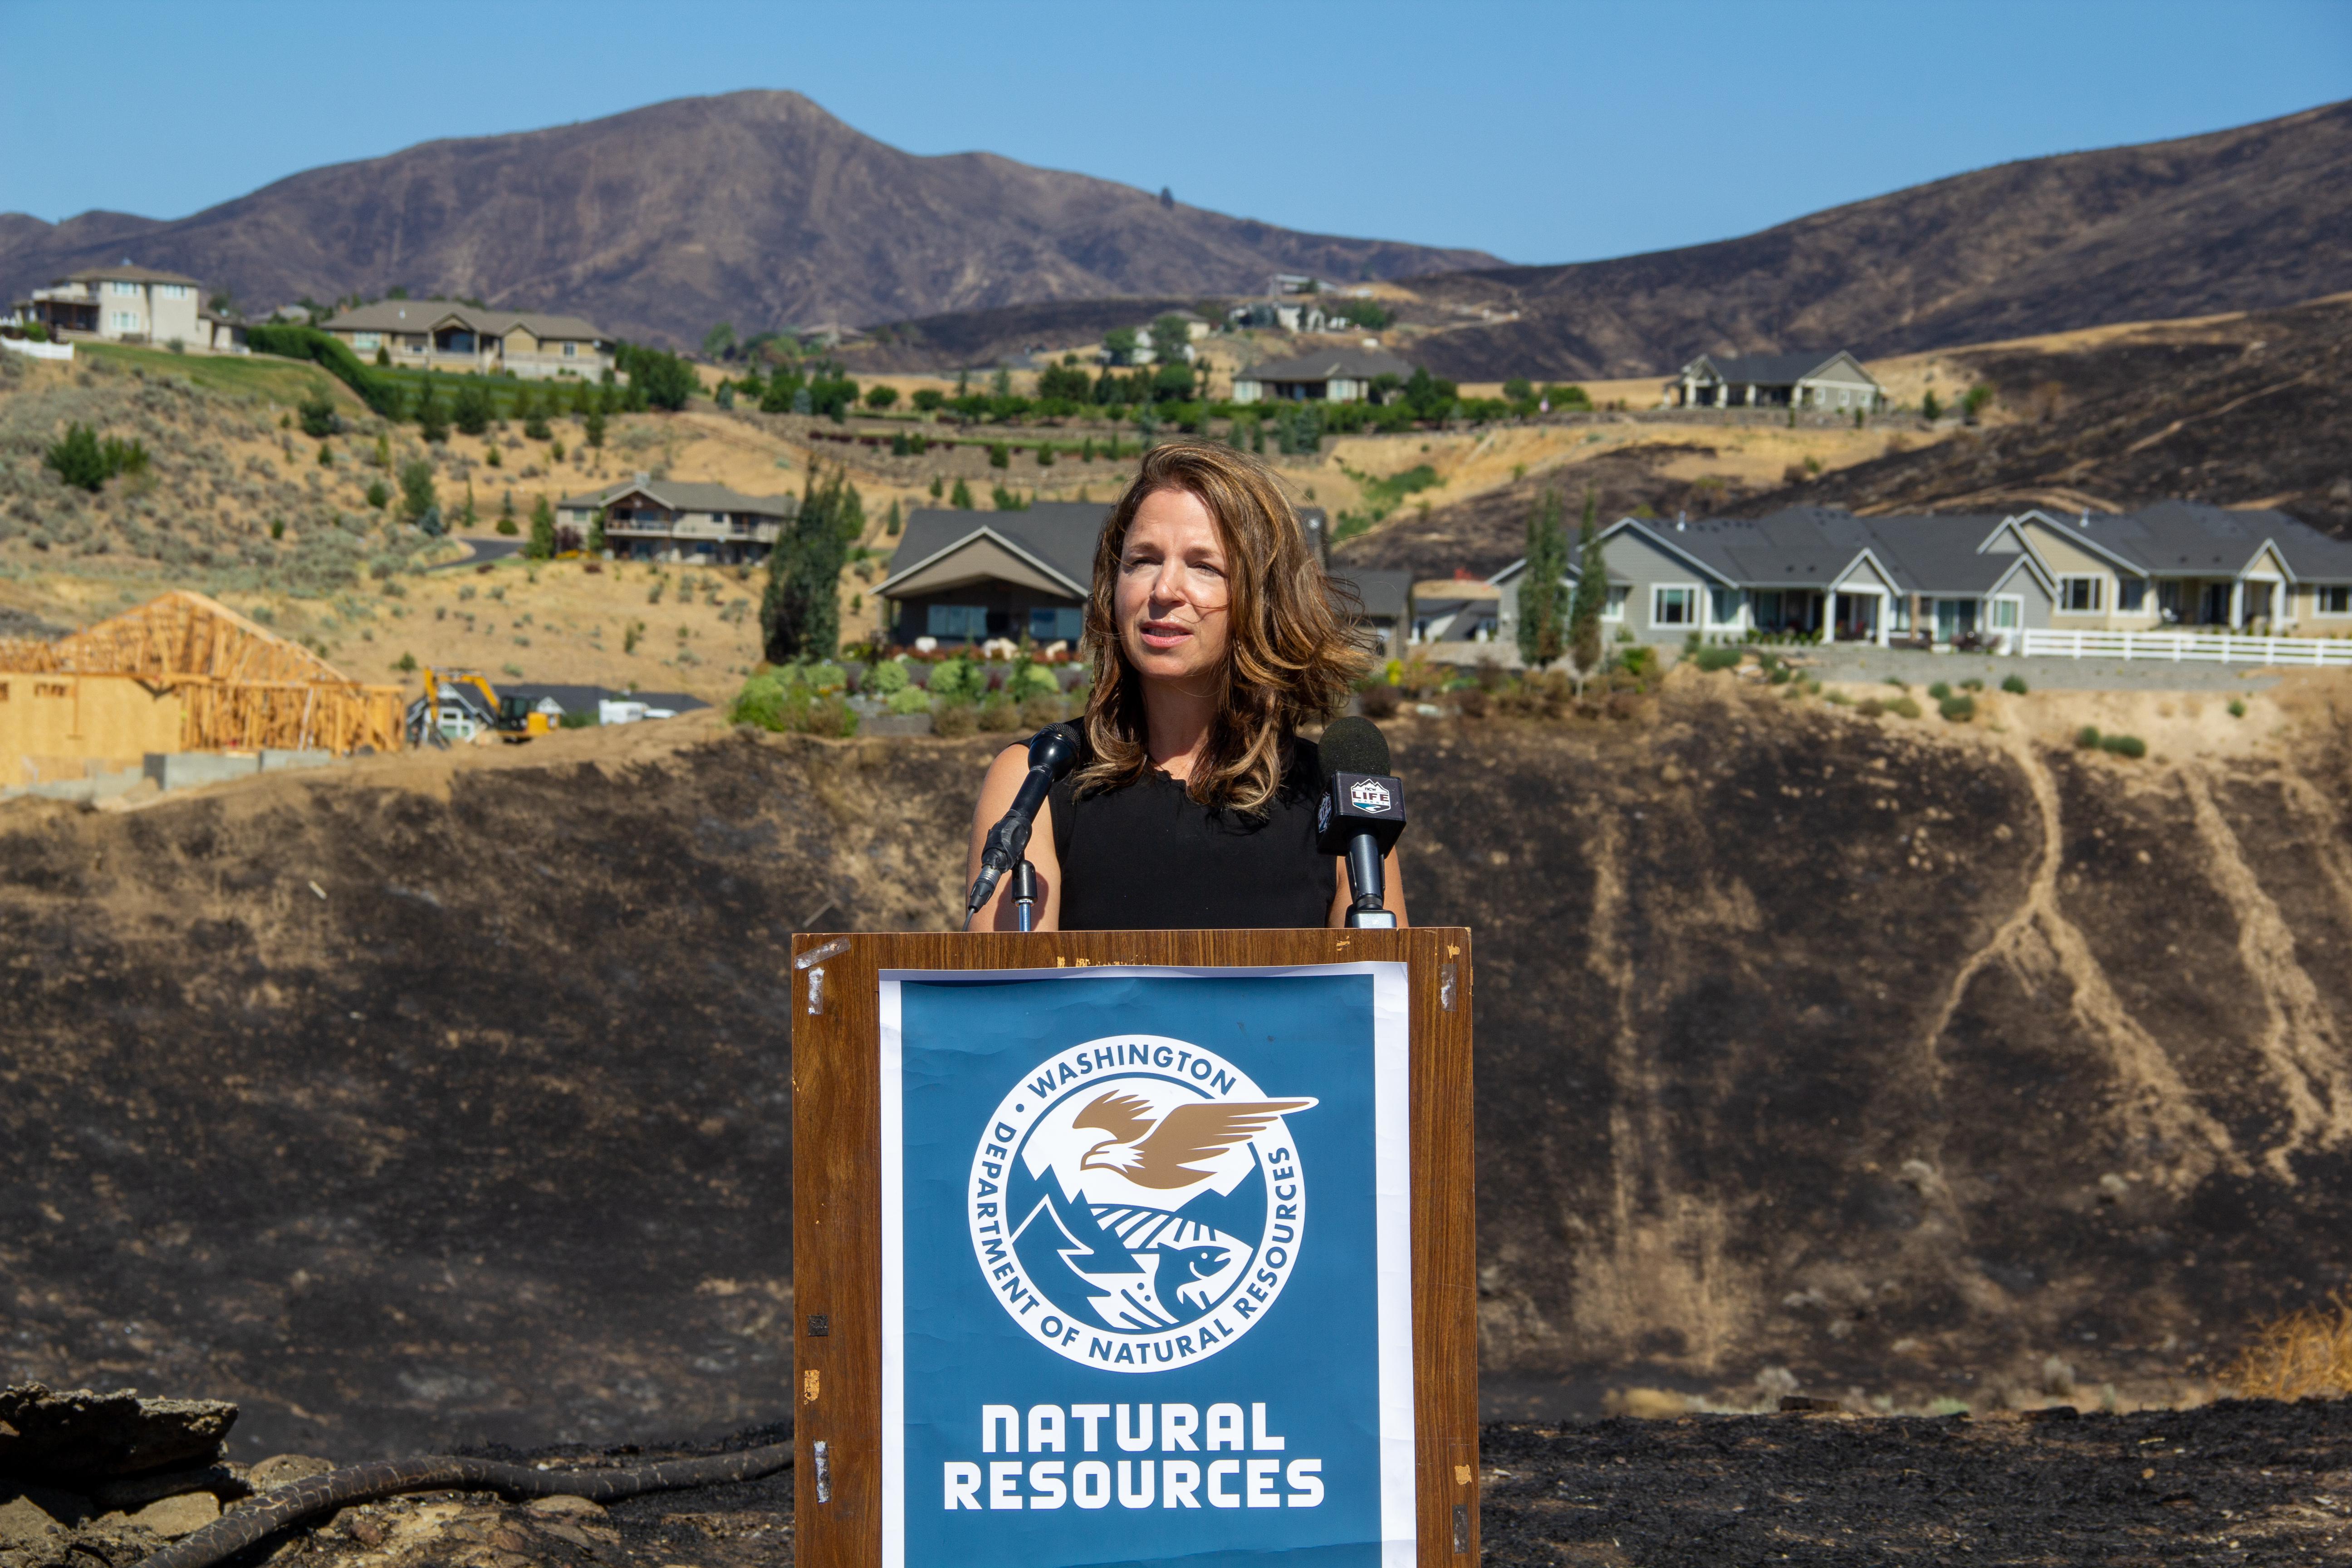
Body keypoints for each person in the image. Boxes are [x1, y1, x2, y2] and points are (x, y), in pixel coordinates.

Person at [964, 440, 1406, 931]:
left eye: (1204, 566)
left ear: (1264, 599)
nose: (1164, 590)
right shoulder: (1035, 781)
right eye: (1143, 560)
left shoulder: (1339, 801)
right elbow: (1007, 999)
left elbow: (1384, 997)